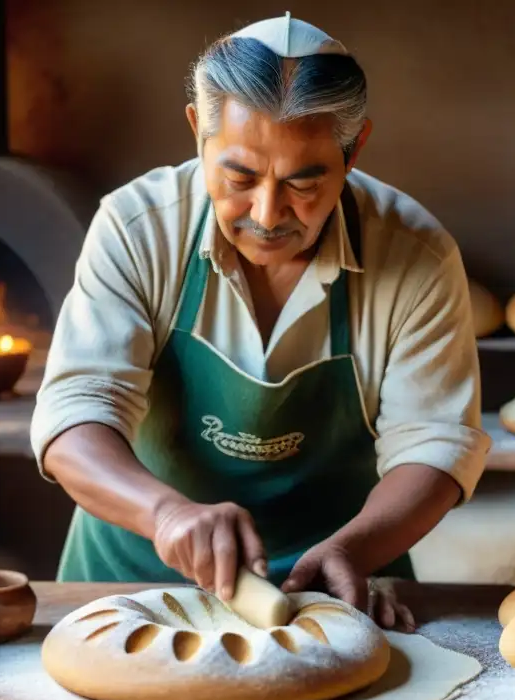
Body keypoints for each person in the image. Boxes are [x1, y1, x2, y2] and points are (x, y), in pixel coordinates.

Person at [31, 13, 491, 630]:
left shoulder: (416, 256)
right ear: (198, 130)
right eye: (240, 177)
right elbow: (74, 416)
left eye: (305, 182)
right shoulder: (138, 227)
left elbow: (436, 446)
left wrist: (357, 549)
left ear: (353, 151)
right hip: (132, 576)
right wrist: (166, 516)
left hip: (333, 582)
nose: (268, 214)